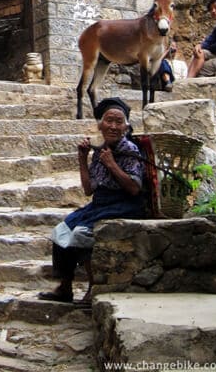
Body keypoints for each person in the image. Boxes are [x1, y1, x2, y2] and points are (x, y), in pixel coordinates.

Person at [38, 97, 144, 304]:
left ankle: (92, 288)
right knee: (61, 230)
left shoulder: (129, 149)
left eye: (118, 122)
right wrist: (82, 157)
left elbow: (133, 188)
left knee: (81, 233)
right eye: (109, 121)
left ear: (126, 127)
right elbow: (88, 190)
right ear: (100, 125)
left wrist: (112, 164)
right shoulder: (100, 149)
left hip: (123, 203)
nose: (113, 126)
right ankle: (65, 287)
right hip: (100, 204)